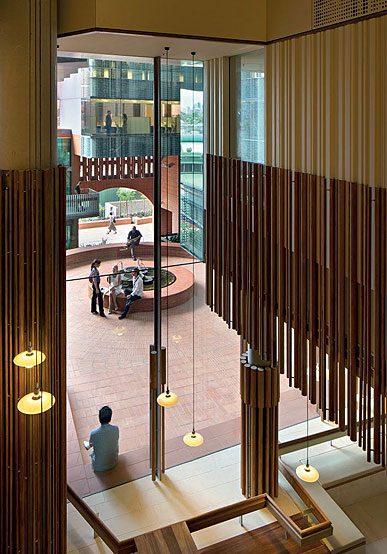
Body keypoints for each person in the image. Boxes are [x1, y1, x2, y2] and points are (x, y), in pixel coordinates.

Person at [84, 406, 119, 472]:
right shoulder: (116, 428)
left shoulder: (94, 433)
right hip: (114, 462)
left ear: (99, 418)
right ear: (110, 418)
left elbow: (90, 444)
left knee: (92, 448)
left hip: (98, 467)